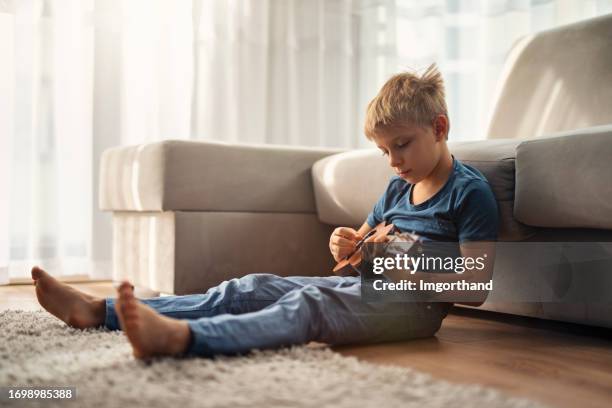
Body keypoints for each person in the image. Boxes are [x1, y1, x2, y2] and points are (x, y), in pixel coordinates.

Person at [31, 63, 499, 359]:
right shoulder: (398, 189)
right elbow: (353, 256)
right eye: (385, 151)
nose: (395, 161)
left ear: (439, 128)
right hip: (363, 288)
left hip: (414, 309)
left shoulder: (467, 192)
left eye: (403, 145)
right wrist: (348, 244)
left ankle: (183, 338)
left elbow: (475, 287)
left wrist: (400, 260)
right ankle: (98, 311)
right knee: (251, 286)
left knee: (310, 304)